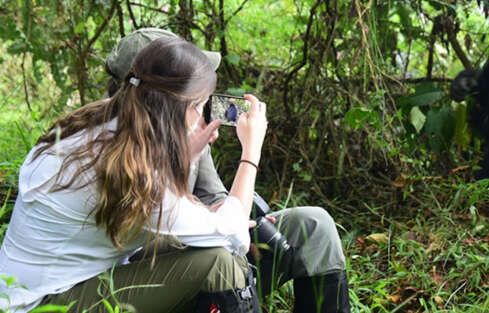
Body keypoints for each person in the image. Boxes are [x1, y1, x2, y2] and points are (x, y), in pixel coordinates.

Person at [0, 37, 263, 312]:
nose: (205, 116)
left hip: (55, 285)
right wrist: (251, 152)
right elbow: (236, 237)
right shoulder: (127, 171)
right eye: (201, 106)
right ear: (179, 109)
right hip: (42, 305)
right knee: (216, 263)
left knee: (198, 248)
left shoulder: (104, 126)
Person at [104, 28, 351, 312]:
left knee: (313, 224)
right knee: (219, 252)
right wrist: (250, 154)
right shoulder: (110, 146)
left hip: (207, 243)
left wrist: (225, 210)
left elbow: (215, 198)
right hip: (150, 277)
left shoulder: (186, 126)